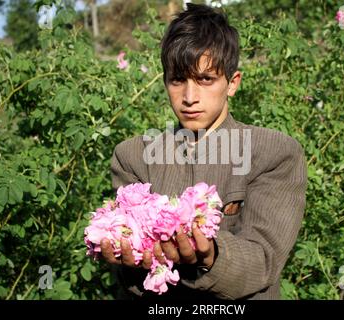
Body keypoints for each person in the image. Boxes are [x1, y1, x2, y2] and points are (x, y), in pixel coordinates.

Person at [100, 3, 307, 300]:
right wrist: (126, 256)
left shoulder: (273, 153)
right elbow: (129, 277)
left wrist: (210, 254)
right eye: (178, 80)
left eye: (205, 79)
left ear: (232, 83)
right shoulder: (133, 156)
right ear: (165, 82)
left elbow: (264, 261)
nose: (189, 97)